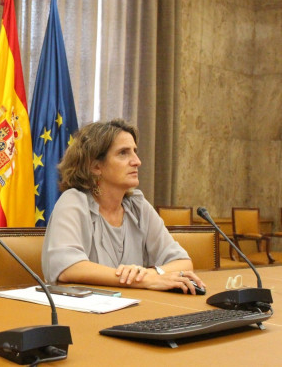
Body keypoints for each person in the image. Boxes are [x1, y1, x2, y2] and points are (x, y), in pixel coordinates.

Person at [41, 119, 205, 294]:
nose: (137, 161)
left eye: (135, 152)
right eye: (123, 153)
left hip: (133, 308)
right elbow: (68, 268)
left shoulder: (138, 205)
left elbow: (183, 261)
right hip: (82, 313)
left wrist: (151, 274)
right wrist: (141, 280)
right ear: (96, 166)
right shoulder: (74, 202)